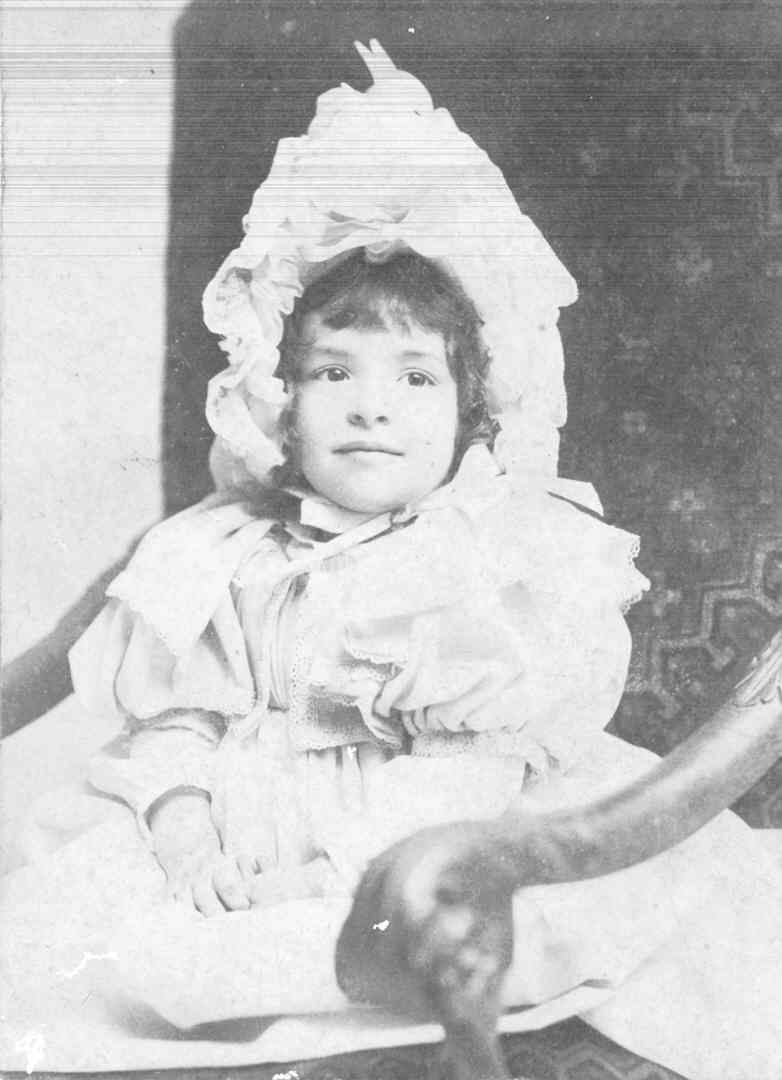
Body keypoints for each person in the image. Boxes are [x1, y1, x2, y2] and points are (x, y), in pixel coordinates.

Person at [2, 40, 781, 1080]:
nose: (371, 405)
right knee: (68, 943)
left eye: (415, 378)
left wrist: (329, 873)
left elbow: (470, 769)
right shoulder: (222, 548)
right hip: (223, 840)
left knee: (376, 942)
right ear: (280, 400)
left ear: (471, 413)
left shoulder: (488, 563)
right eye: (334, 372)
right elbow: (176, 721)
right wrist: (186, 831)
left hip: (413, 845)